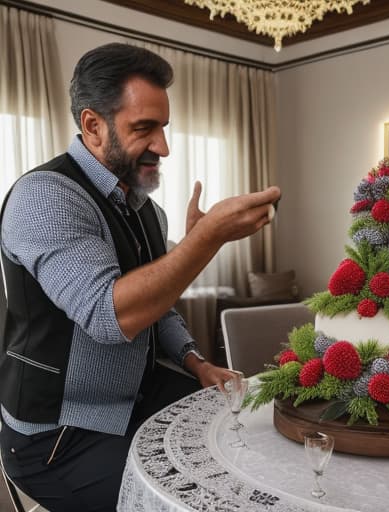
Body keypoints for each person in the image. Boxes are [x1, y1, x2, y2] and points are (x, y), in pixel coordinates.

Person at [0, 42, 280, 511]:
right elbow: (109, 314)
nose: (163, 147)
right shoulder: (44, 198)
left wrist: (196, 362)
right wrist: (206, 239)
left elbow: (157, 307)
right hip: (58, 435)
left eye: (164, 128)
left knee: (249, 442)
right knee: (200, 499)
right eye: (144, 128)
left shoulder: (148, 211)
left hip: (135, 398)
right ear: (92, 126)